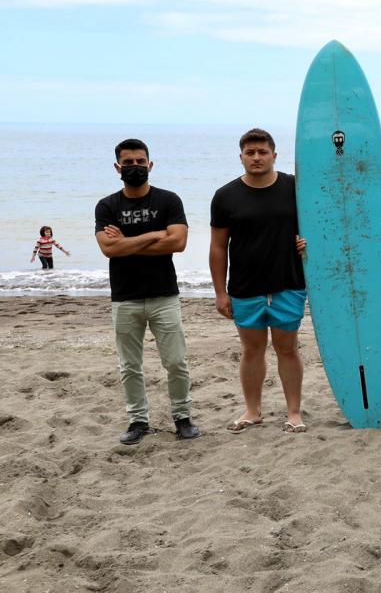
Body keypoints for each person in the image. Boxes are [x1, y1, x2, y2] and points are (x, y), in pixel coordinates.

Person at [95, 139, 200, 444]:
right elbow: (108, 248)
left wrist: (128, 241)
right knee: (129, 365)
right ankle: (138, 421)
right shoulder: (107, 206)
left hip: (163, 295)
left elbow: (177, 243)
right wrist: (155, 234)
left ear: (150, 165)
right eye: (128, 163)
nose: (135, 167)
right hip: (124, 297)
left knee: (176, 361)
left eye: (140, 162)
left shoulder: (168, 200)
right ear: (118, 167)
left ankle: (182, 417)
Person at [211, 128, 309, 434]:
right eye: (250, 153)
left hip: (288, 283)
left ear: (274, 156)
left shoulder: (296, 188)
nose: (256, 157)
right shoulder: (225, 196)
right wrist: (220, 292)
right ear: (241, 156)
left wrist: (309, 245)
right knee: (251, 350)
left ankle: (294, 412)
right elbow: (217, 247)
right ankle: (252, 411)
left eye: (262, 152)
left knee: (287, 349)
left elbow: (327, 219)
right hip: (245, 287)